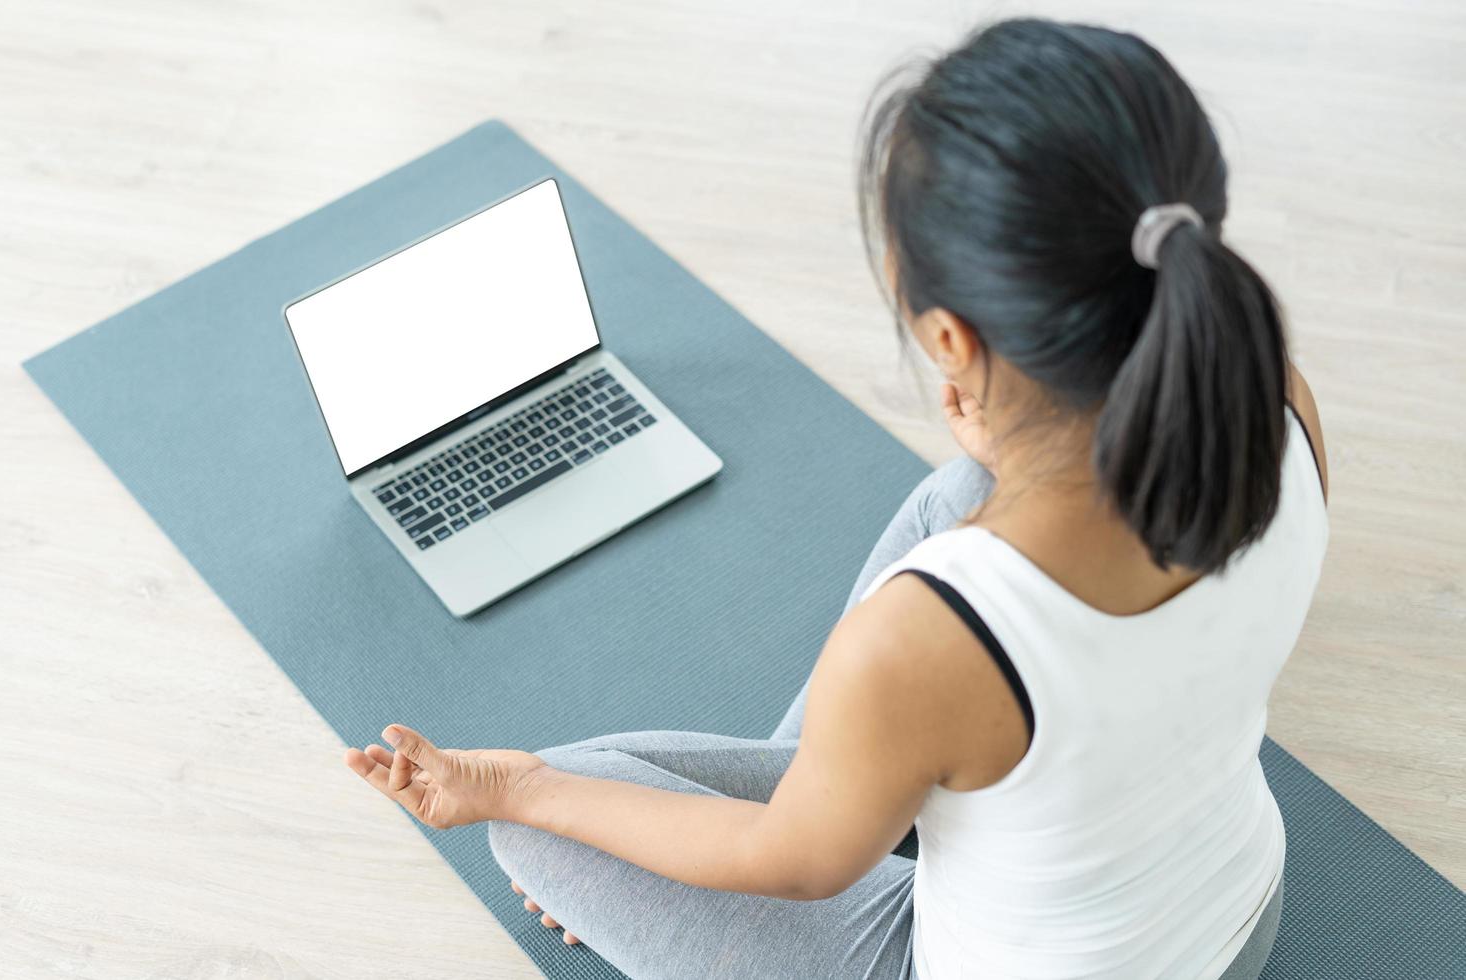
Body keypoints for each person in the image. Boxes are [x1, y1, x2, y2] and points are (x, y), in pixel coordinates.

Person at [342, 17, 1330, 979]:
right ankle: (856, 775)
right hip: (1238, 913)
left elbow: (797, 864)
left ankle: (844, 779)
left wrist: (524, 787)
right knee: (965, 486)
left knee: (541, 823)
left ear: (952, 340)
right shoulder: (1273, 390)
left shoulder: (925, 635)